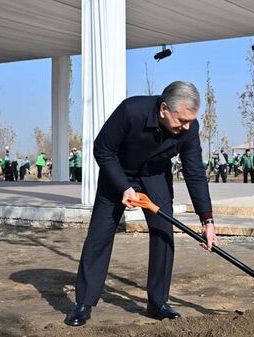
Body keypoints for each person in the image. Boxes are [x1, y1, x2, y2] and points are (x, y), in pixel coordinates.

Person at [65, 81, 217, 326]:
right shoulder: (131, 110)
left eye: (190, 121)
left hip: (156, 177)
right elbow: (103, 149)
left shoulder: (189, 127)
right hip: (118, 173)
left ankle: (158, 302)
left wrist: (207, 219)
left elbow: (194, 172)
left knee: (163, 234)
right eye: (181, 120)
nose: (187, 126)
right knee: (99, 235)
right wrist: (124, 187)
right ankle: (84, 302)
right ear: (164, 109)